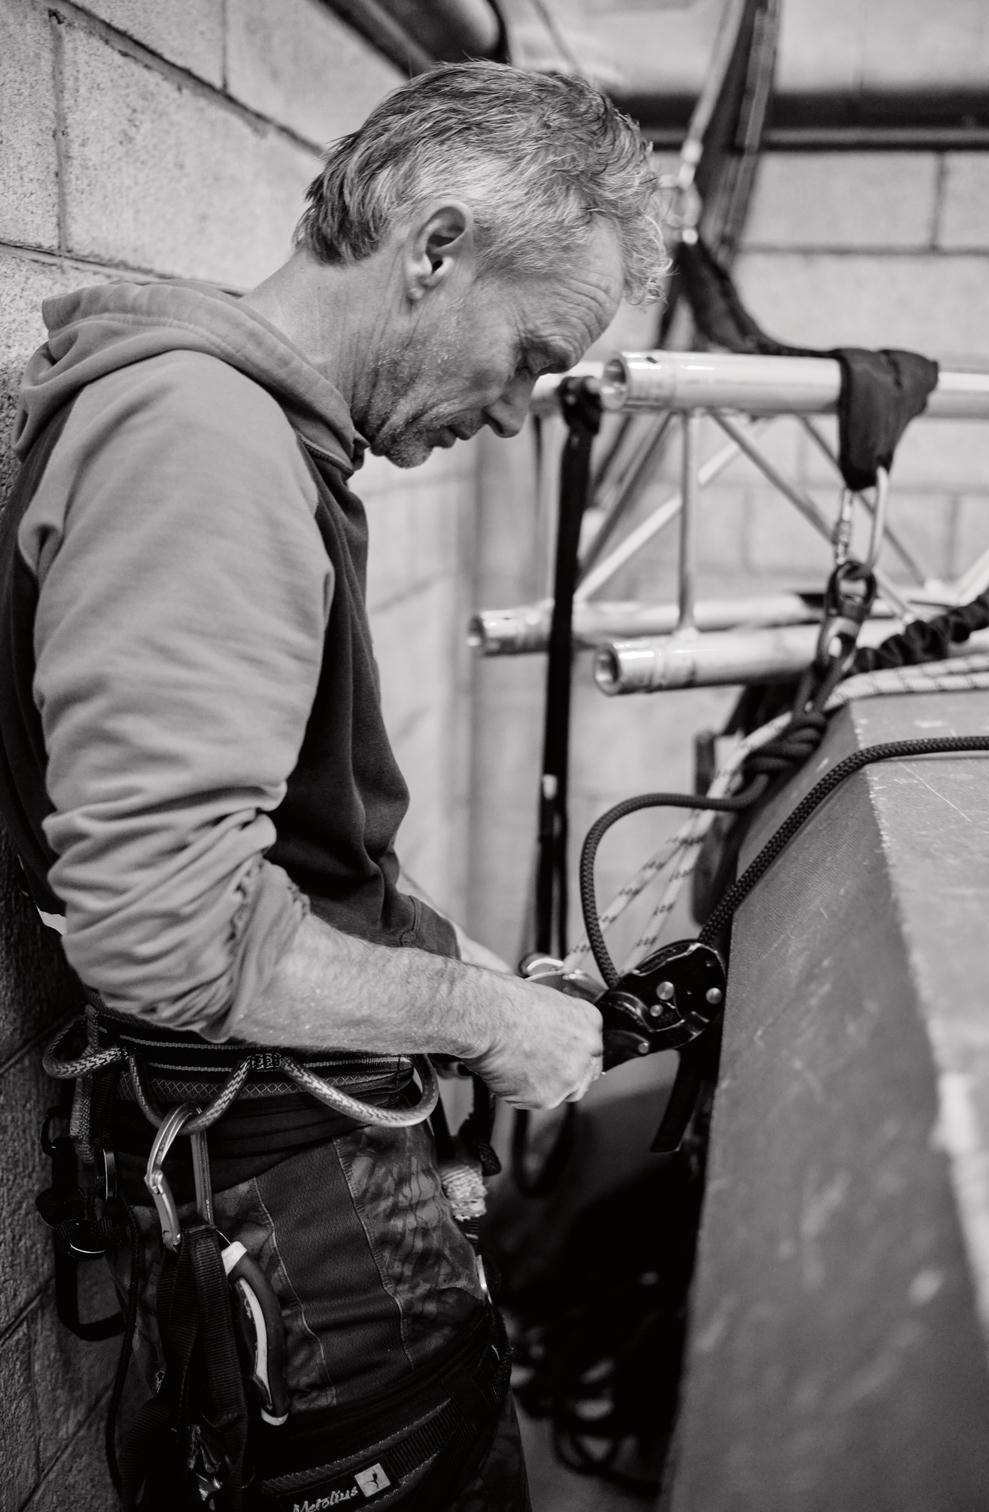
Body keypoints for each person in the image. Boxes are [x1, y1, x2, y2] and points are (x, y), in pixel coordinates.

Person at [0, 60, 666, 1512]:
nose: (516, 413)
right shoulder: (200, 444)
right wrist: (486, 1021)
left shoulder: (254, 438)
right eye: (535, 355)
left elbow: (279, 854)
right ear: (434, 247)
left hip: (303, 1164)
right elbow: (166, 931)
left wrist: (467, 968)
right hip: (288, 1210)